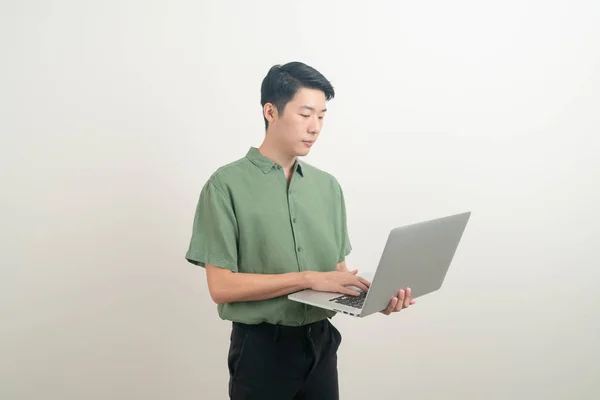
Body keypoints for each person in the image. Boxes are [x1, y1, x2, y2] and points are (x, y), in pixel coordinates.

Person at [185, 61, 416, 400]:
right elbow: (221, 287)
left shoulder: (328, 187)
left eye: (322, 116)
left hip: (321, 345)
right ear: (270, 111)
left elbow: (337, 274)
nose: (315, 127)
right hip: (262, 352)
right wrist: (307, 278)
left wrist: (375, 298)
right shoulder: (225, 186)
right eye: (306, 114)